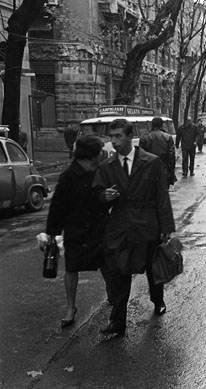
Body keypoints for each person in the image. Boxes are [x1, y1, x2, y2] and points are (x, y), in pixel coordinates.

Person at [93, 118, 175, 337]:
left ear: (130, 137)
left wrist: (166, 226)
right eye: (111, 136)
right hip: (121, 226)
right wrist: (103, 196)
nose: (114, 141)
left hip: (147, 225)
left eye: (118, 136)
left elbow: (161, 195)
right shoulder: (107, 166)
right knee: (119, 273)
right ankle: (117, 322)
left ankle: (157, 300)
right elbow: (96, 194)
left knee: (152, 267)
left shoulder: (152, 162)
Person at [46, 136, 107, 328]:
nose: (102, 155)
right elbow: (57, 206)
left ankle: (113, 297)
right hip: (76, 229)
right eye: (99, 152)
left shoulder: (100, 171)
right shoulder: (69, 176)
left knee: (106, 265)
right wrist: (52, 233)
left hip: (99, 227)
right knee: (72, 268)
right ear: (92, 155)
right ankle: (70, 307)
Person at [140, 117, 177, 187]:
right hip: (164, 168)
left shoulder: (144, 138)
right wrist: (171, 172)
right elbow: (171, 157)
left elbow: (141, 156)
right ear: (162, 125)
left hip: (149, 170)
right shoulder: (168, 137)